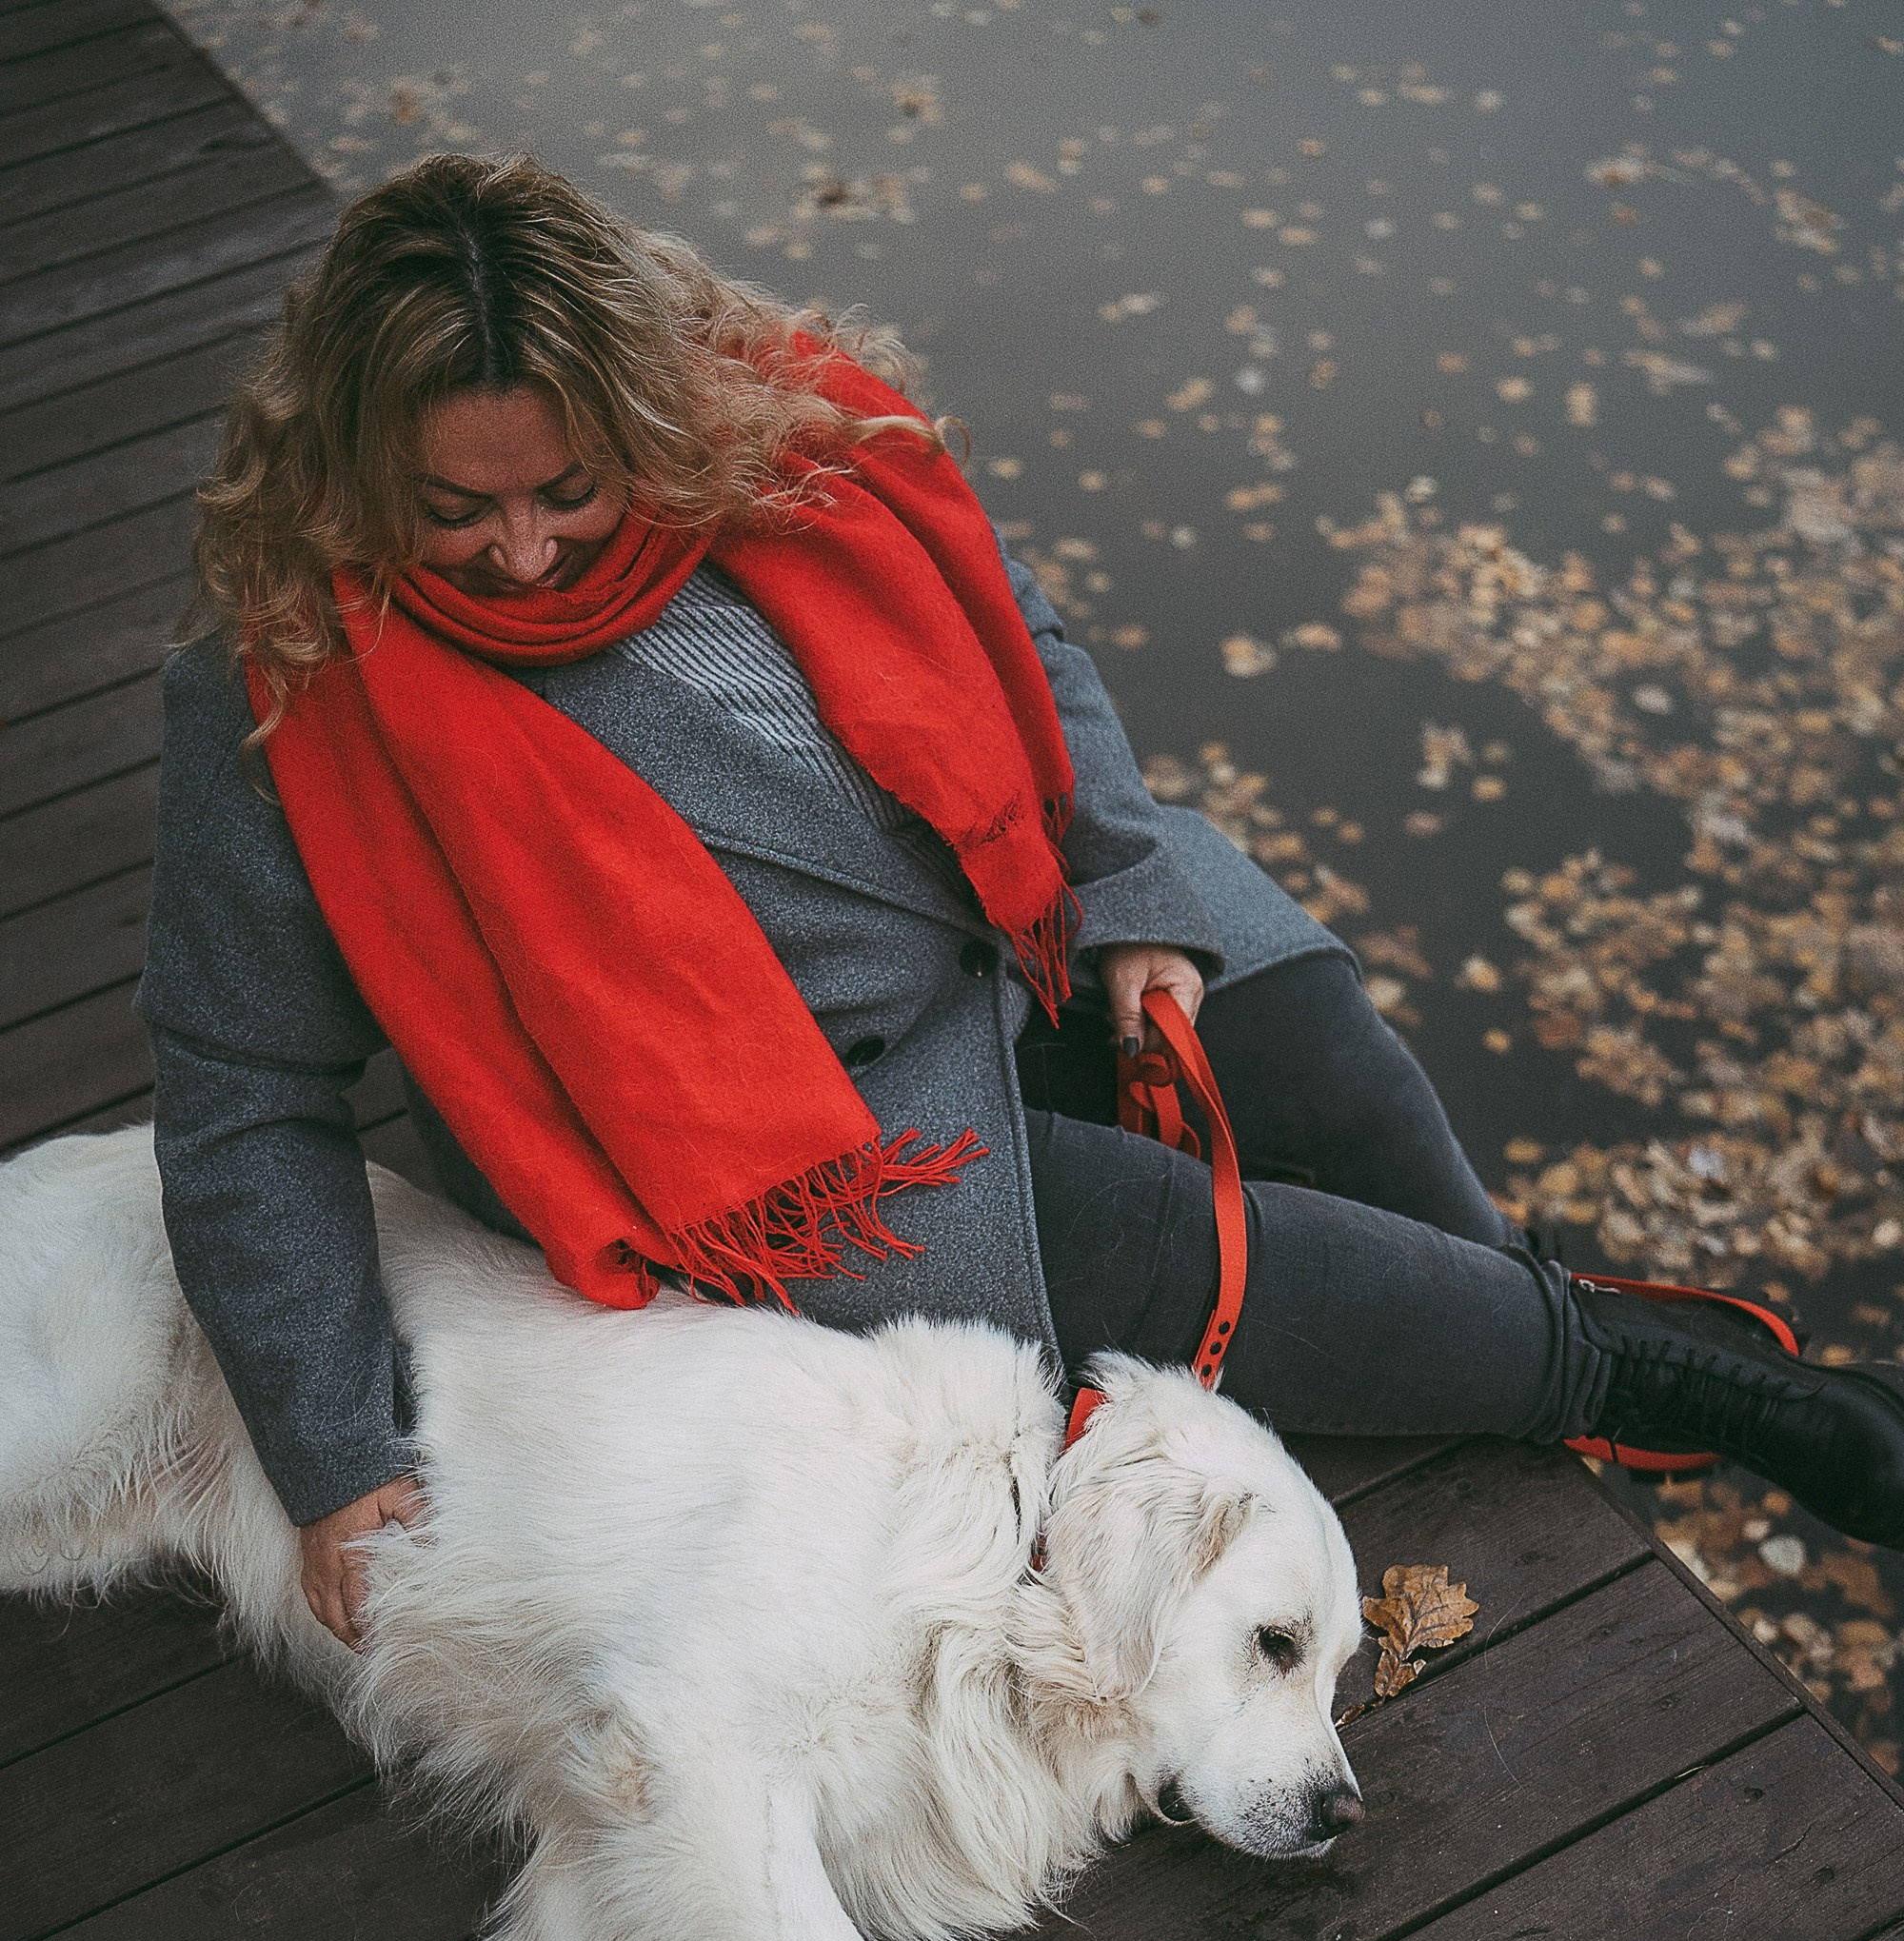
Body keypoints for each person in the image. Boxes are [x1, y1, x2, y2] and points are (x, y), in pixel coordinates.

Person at [141, 154, 1904, 1650]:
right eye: (457, 511)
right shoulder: (287, 678)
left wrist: (1135, 896)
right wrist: (332, 1448)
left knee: (1367, 1126)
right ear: (365, 465)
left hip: (1045, 918)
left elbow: (1031, 650)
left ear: (645, 416)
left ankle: (1517, 1334)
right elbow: (243, 1092)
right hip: (797, 1129)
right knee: (1212, 1254)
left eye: (569, 493)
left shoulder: (784, 437)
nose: (522, 555)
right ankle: (1679, 1387)